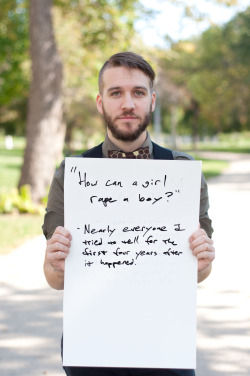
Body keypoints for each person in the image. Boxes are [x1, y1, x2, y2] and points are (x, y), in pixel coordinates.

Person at [43, 52, 215, 376]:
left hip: (164, 342)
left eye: (138, 92)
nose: (128, 104)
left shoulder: (183, 172)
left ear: (152, 101)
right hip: (91, 342)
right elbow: (54, 279)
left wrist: (203, 263)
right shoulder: (71, 174)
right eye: (116, 92)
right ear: (100, 101)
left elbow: (197, 272)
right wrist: (56, 261)